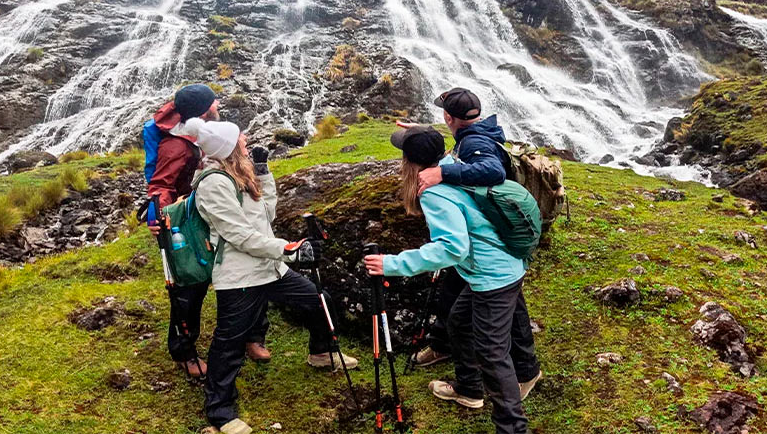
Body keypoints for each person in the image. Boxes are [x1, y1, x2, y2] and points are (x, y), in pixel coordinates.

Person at [178, 117, 359, 434]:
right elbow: (240, 236)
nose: (246, 140)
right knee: (229, 342)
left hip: (269, 268)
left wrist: (264, 173)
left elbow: (267, 215)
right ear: (229, 148)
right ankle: (220, 413)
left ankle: (321, 352)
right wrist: (289, 250)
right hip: (240, 276)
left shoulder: (238, 175)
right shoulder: (213, 184)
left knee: (320, 301)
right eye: (241, 139)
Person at [364, 126, 539, 434]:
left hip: (493, 277)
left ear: (410, 162)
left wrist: (391, 264)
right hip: (501, 267)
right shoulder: (451, 168)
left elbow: (453, 248)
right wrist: (418, 133)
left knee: (492, 354)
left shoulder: (433, 191)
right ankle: (470, 390)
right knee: (459, 322)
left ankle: (513, 428)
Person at [400, 88, 540, 399]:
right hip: (499, 244)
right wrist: (422, 137)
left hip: (489, 247)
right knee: (491, 305)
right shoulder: (476, 133)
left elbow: (492, 170)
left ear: (449, 117)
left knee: (485, 333)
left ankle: (489, 386)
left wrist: (442, 173)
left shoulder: (474, 141)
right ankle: (510, 371)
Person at [146, 84, 270, 381]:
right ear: (205, 109)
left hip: (217, 206)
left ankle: (253, 335)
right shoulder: (176, 144)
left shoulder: (206, 128)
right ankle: (184, 351)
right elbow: (161, 184)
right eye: (214, 101)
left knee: (247, 267)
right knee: (190, 285)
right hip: (188, 219)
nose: (218, 104)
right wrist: (160, 219)